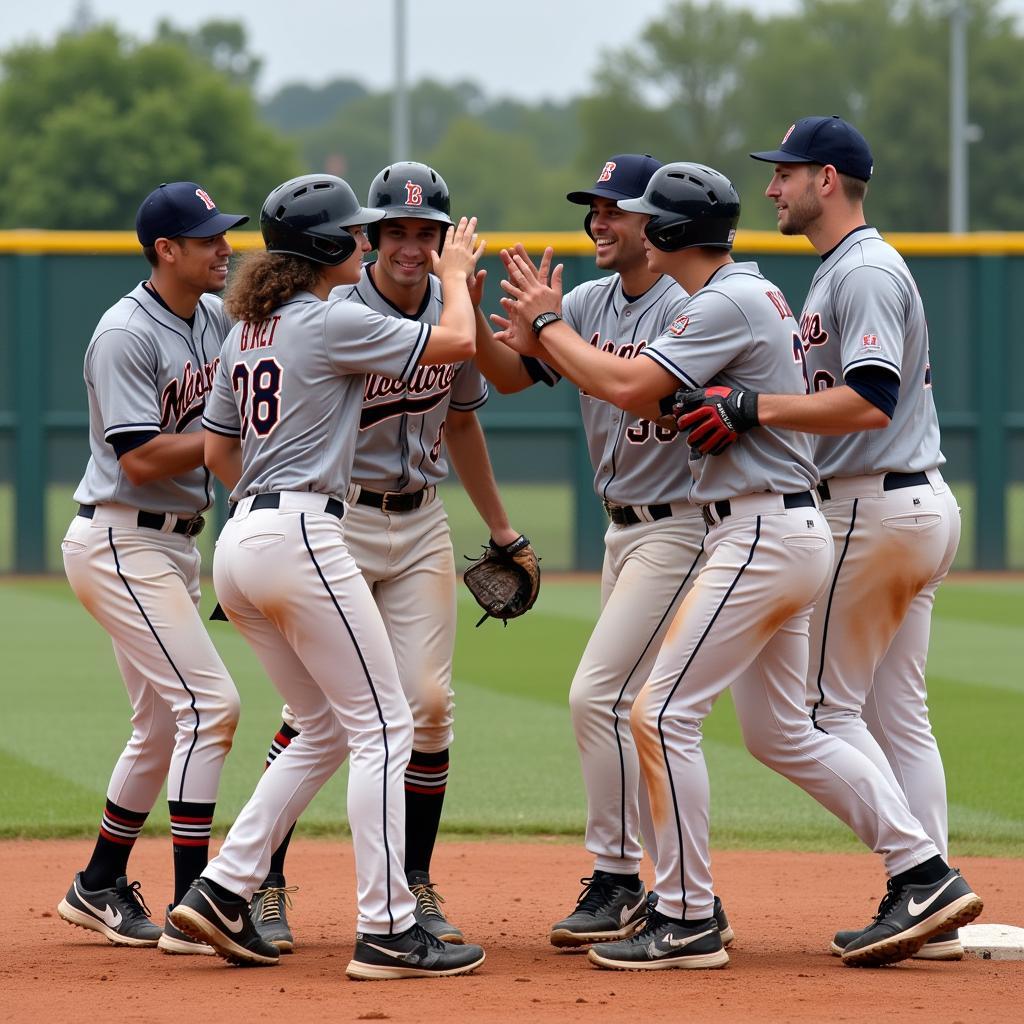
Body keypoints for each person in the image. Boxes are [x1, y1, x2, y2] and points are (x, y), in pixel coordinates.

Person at [495, 161, 982, 970]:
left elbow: (625, 385)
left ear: (674, 232)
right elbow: (672, 395)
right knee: (782, 731)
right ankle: (922, 870)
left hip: (760, 532)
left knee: (657, 713)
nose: (634, 226)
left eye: (649, 217)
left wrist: (549, 327)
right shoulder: (742, 293)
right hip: (776, 526)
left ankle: (686, 915)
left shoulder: (723, 297)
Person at [168, 173, 486, 981]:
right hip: (304, 531)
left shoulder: (249, 327)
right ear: (321, 248)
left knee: (321, 728)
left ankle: (222, 887)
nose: (362, 241)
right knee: (386, 726)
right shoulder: (330, 317)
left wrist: (265, 516)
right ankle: (387, 928)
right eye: (350, 232)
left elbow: (219, 452)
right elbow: (455, 346)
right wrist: (454, 282)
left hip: (243, 538)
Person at [247, 162, 530, 953]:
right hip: (335, 523)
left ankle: (412, 881)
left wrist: (503, 530)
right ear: (364, 237)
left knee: (429, 705)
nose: (411, 245)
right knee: (314, 714)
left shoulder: (453, 308)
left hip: (421, 522)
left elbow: (468, 422)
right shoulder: (333, 307)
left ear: (443, 238)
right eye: (394, 230)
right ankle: (264, 884)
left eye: (425, 232)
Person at [477, 154, 733, 949]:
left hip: (685, 523)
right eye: (593, 206)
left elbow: (633, 389)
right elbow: (512, 377)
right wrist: (479, 319)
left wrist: (550, 330)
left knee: (603, 697)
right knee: (629, 708)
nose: (599, 219)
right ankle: (647, 882)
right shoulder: (585, 300)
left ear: (655, 221)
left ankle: (628, 879)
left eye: (615, 209)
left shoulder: (686, 301)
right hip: (626, 529)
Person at [742, 115, 964, 959]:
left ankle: (923, 877)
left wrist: (754, 408)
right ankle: (935, 904)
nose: (774, 188)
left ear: (825, 180)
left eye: (787, 174)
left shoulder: (863, 270)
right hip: (910, 502)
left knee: (821, 712)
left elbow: (870, 397)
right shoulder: (846, 268)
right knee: (899, 716)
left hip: (873, 508)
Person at [57, 182, 248, 956]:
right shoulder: (123, 334)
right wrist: (227, 437)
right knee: (213, 704)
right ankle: (191, 904)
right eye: (207, 239)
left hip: (176, 542)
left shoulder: (214, 316)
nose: (224, 248)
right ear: (165, 250)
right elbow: (137, 458)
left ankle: (98, 883)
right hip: (119, 540)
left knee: (164, 723)